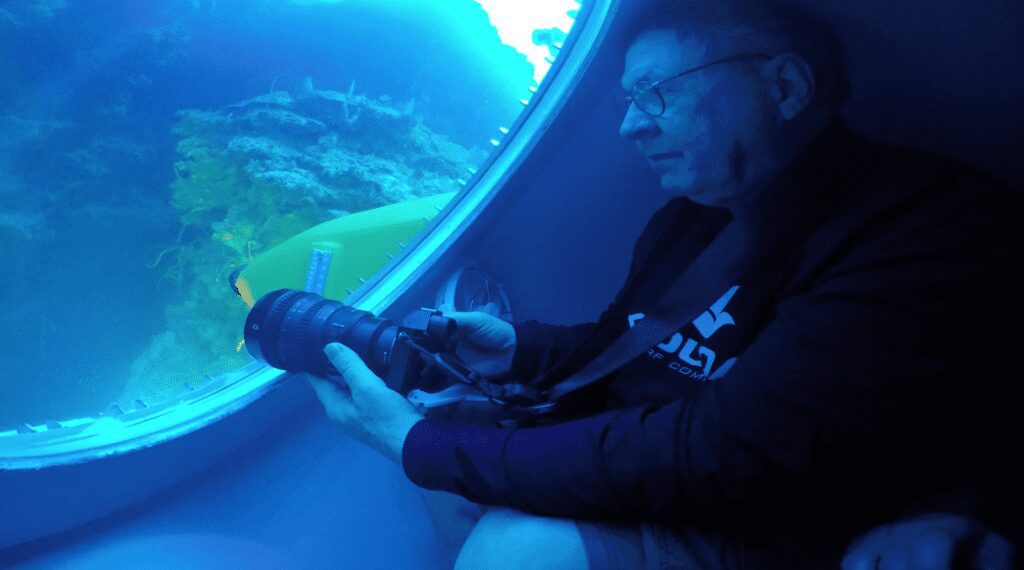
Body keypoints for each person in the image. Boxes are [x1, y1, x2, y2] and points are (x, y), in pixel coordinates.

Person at [307, 1, 1021, 567]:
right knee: (459, 424)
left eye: (652, 94)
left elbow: (721, 450)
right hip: (680, 472)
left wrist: (417, 443)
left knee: (515, 546)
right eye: (625, 100)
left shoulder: (924, 230)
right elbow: (631, 345)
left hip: (793, 514)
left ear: (784, 86)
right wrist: (519, 351)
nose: (626, 127)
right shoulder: (687, 222)